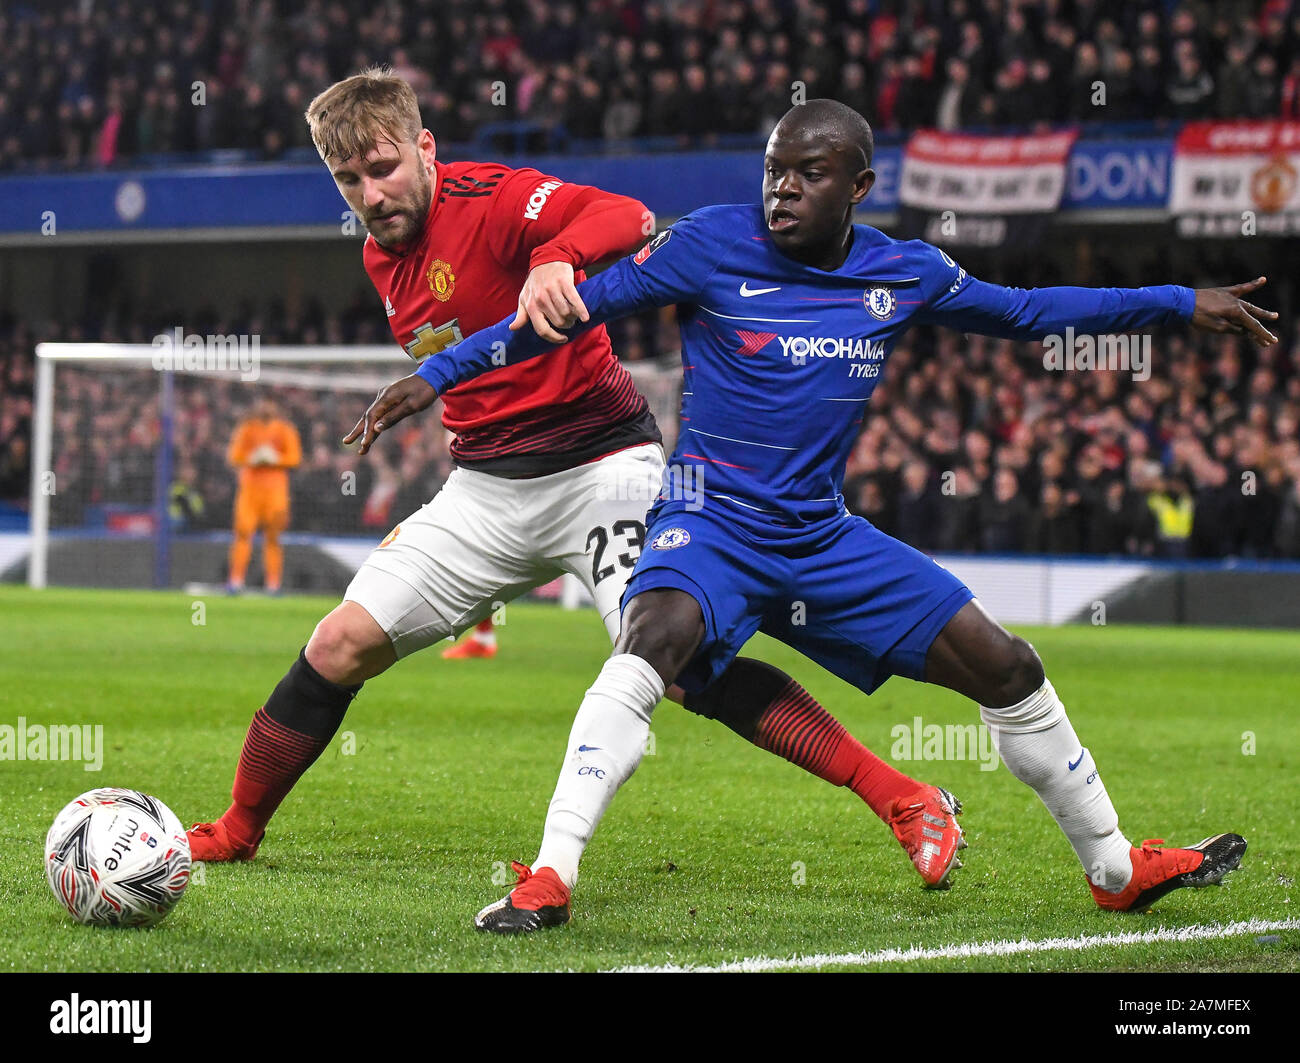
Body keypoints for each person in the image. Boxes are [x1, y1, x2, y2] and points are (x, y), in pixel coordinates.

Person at [353, 99, 1272, 932]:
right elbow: (557, 315)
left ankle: (1113, 867)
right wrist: (431, 376)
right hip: (708, 523)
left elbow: (1030, 311)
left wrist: (1180, 300)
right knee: (649, 642)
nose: (782, 189)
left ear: (860, 187)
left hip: (820, 535)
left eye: (809, 174)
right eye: (773, 171)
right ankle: (550, 876)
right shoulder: (709, 244)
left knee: (1009, 664)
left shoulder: (905, 271)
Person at [188, 73, 966, 893]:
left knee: (680, 662)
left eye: (383, 168)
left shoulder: (497, 196)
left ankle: (904, 794)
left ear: (425, 149)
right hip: (485, 488)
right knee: (336, 644)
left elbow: (627, 217)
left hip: (604, 468)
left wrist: (554, 255)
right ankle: (239, 828)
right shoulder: (381, 254)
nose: (371, 194)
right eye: (349, 181)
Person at [226, 397, 302, 594]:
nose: (265, 407)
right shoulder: (248, 428)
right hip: (250, 490)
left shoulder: (285, 430)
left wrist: (275, 459)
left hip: (276, 491)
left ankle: (273, 584)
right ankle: (235, 581)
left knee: (274, 537)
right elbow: (234, 455)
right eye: (263, 403)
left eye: (269, 403)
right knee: (242, 534)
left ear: (275, 406)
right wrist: (252, 458)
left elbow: (294, 458)